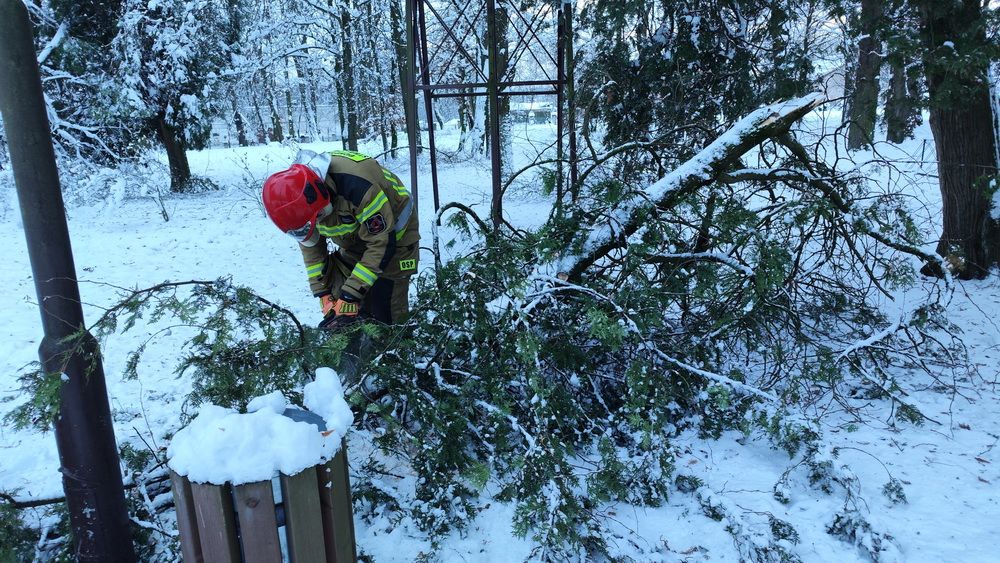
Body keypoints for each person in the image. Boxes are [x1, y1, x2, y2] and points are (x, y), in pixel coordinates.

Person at [262, 149, 419, 328]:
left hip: (395, 235)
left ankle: (395, 350)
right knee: (343, 296)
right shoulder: (299, 199)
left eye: (318, 217)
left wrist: (351, 295)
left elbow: (381, 243)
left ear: (320, 196)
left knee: (386, 304)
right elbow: (312, 248)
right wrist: (323, 292)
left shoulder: (359, 187)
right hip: (354, 238)